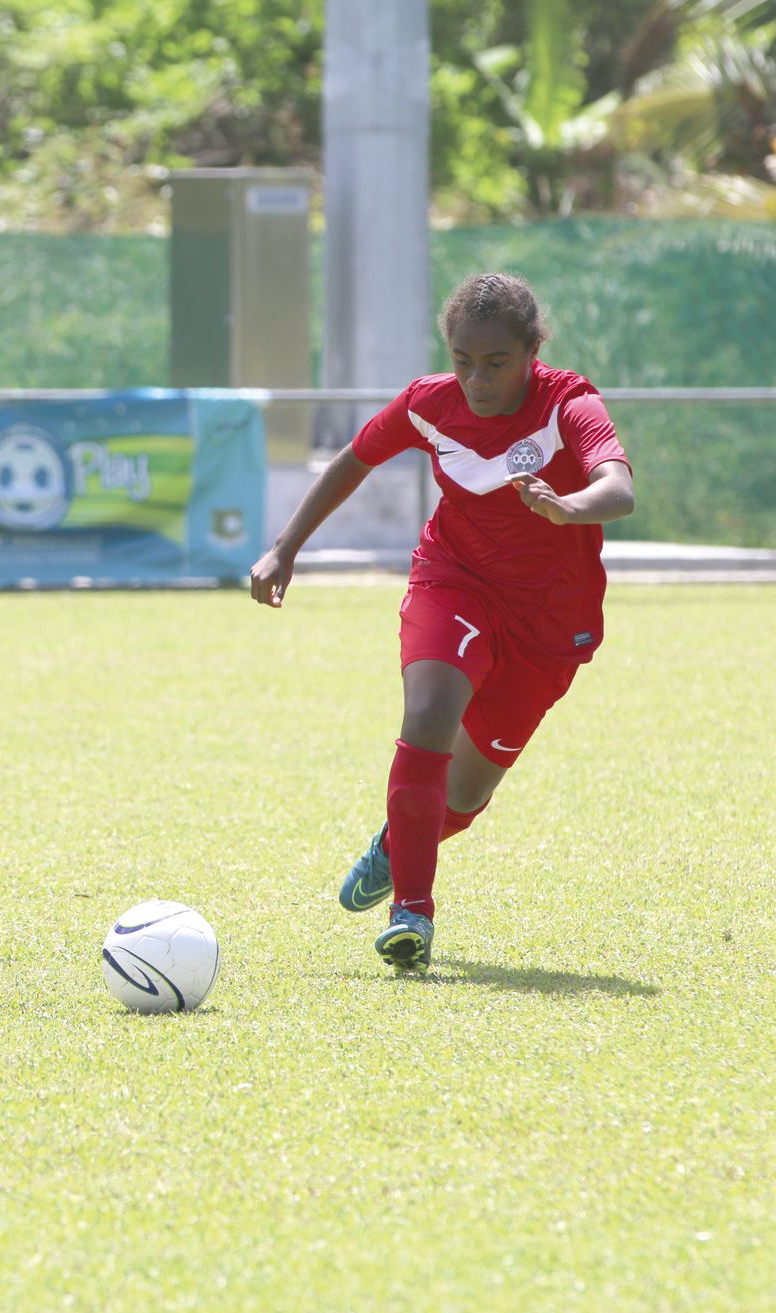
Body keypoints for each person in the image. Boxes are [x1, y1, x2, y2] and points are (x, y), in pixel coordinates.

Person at [248, 272, 634, 970]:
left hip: (549, 623)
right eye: (462, 360)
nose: (477, 379)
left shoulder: (568, 403)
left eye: (495, 362)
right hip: (452, 579)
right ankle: (411, 914)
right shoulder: (428, 403)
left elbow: (618, 485)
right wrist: (284, 548)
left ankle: (396, 845)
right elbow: (352, 460)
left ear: (531, 350)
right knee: (426, 714)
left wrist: (567, 506)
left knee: (462, 793)